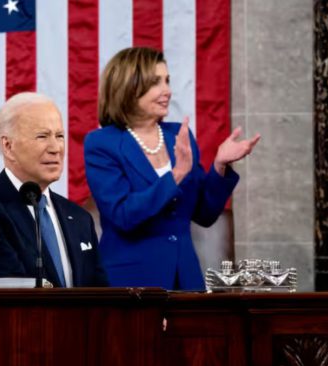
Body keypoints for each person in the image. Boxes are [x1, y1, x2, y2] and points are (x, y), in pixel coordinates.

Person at [84, 47, 260, 290]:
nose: (167, 90)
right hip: (129, 284)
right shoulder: (102, 143)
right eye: (156, 82)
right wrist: (176, 175)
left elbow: (205, 214)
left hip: (185, 279)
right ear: (129, 86)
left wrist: (220, 165)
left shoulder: (178, 135)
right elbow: (124, 215)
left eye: (167, 81)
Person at [0, 92, 107, 287]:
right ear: (8, 146)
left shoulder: (79, 218)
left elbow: (101, 298)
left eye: (59, 136)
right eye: (42, 136)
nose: (55, 148)